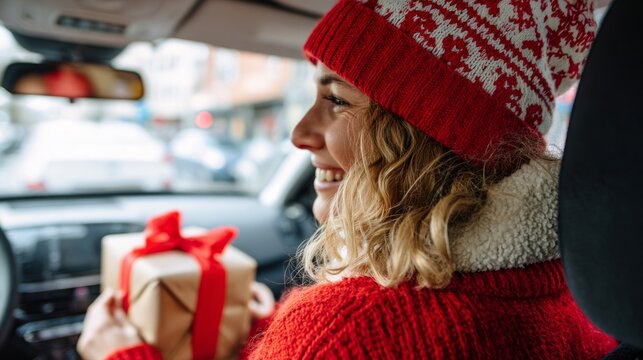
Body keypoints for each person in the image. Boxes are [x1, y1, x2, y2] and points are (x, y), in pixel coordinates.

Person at [78, 0, 618, 359]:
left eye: (335, 99)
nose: (298, 133)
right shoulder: (573, 301)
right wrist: (271, 339)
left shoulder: (344, 330)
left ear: (423, 134)